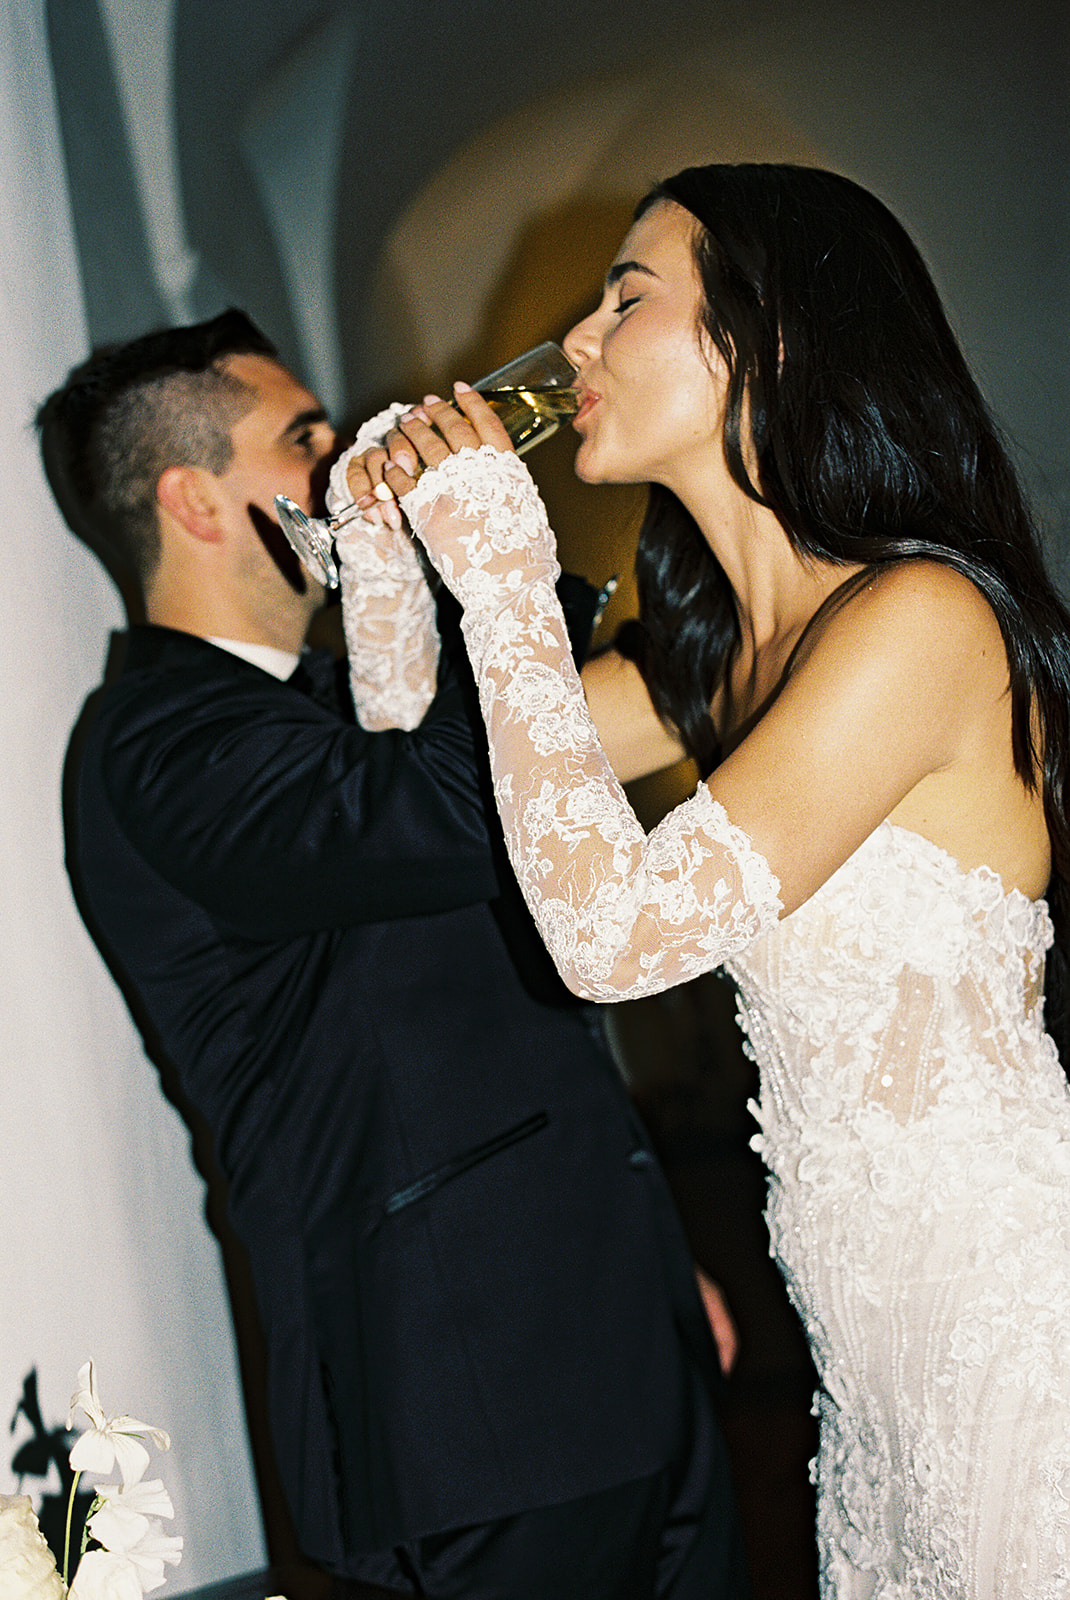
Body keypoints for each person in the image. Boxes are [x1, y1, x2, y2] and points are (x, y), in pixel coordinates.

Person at [352, 162, 1070, 1594]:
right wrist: (382, 553)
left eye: (626, 299)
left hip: (1008, 1313)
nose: (575, 345)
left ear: (773, 339)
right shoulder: (714, 677)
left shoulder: (919, 621)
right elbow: (419, 734)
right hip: (863, 1357)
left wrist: (503, 575)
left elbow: (608, 943)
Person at [40, 310, 750, 1600]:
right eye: (305, 439)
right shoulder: (156, 743)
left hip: (618, 1336)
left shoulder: (340, 702)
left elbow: (566, 775)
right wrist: (484, 564)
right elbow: (455, 802)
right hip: (467, 1399)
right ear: (197, 502)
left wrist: (650, 1256)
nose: (351, 455)